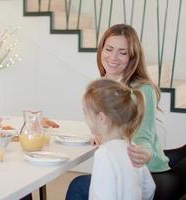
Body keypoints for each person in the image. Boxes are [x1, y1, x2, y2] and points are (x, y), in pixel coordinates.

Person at [66, 24, 186, 200]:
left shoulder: (143, 89)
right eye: (109, 49)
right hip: (124, 165)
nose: (113, 57)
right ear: (101, 50)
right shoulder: (103, 83)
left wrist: (145, 152)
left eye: (122, 52)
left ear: (132, 57)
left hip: (144, 166)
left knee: (78, 186)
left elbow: (144, 136)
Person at [84, 78, 155, 199]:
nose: (85, 118)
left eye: (85, 113)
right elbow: (149, 188)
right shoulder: (132, 148)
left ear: (101, 118)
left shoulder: (104, 154)